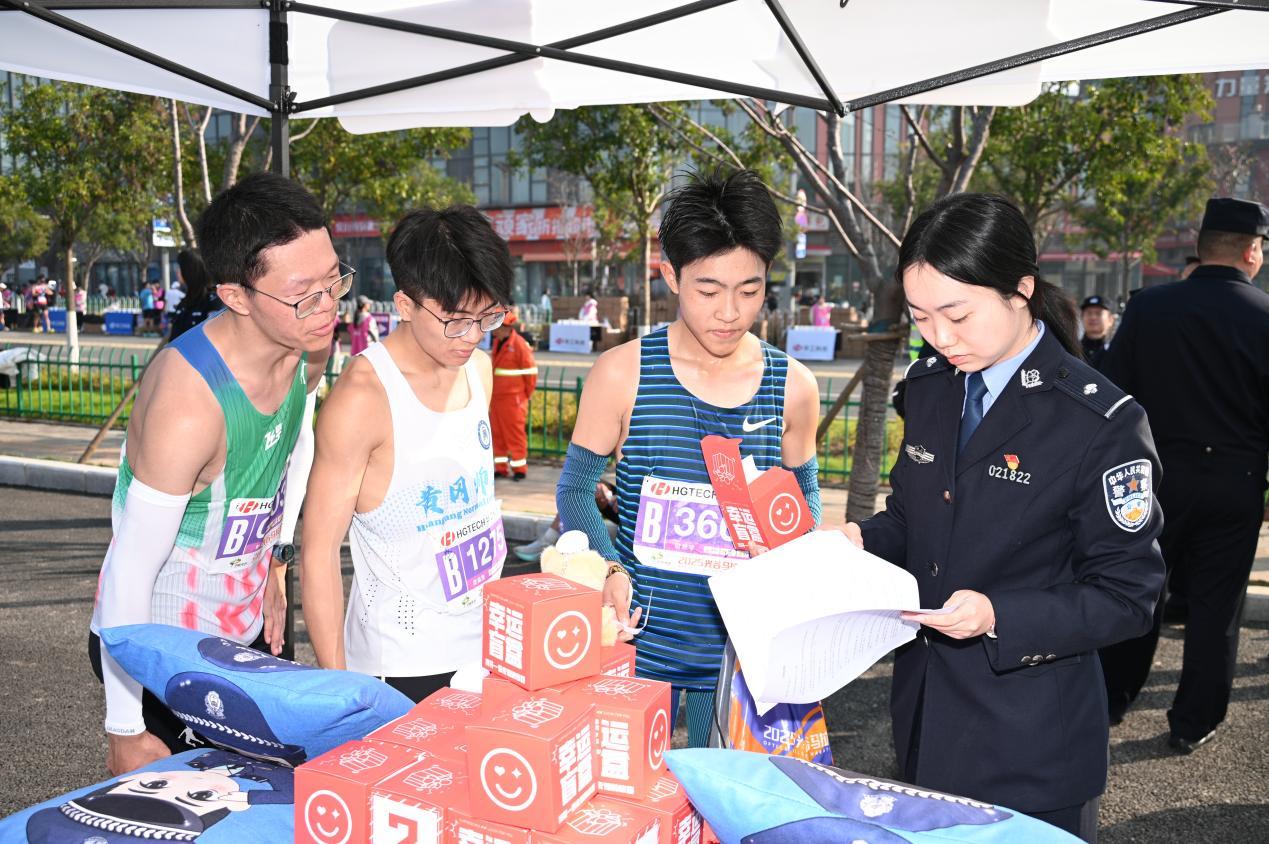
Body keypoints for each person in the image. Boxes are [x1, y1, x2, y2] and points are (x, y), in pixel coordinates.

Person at [842, 193, 1164, 842]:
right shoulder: (931, 387)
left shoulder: (1097, 421)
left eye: (957, 314)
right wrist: (855, 540)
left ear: (1021, 290)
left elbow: (1129, 595)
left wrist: (999, 615)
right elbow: (912, 518)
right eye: (921, 317)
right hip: (925, 722)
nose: (939, 337)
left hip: (1031, 746)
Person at [556, 168, 822, 748]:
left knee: (714, 798)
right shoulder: (622, 373)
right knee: (629, 795)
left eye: (749, 290)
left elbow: (805, 502)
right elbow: (575, 491)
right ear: (671, 275)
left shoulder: (793, 387)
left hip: (738, 659)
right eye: (708, 290)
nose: (729, 312)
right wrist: (609, 569)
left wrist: (792, 550)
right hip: (636, 646)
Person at [88, 172, 336, 776]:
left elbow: (295, 444)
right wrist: (125, 729)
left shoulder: (307, 346)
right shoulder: (188, 405)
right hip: (162, 651)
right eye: (304, 293)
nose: (328, 305)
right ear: (235, 295)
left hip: (242, 625)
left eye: (335, 280)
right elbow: (128, 570)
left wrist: (276, 557)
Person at [301, 205, 512, 703]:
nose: (472, 335)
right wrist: (342, 691)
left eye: (487, 317)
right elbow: (319, 553)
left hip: (488, 646)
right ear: (406, 305)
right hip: (400, 666)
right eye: (455, 321)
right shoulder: (363, 399)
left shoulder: (478, 370)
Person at [1098, 197, 1269, 753]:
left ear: (1200, 246)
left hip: (1155, 475)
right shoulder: (1264, 315)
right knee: (1218, 607)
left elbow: (1114, 396)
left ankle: (1112, 697)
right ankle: (1193, 721)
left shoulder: (1149, 307)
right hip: (1237, 479)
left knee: (1139, 589)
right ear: (1251, 251)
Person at [514, 480, 618, 562]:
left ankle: (552, 544)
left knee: (584, 489)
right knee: (583, 486)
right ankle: (549, 543)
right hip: (618, 499)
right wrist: (605, 488)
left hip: (627, 512)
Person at [490, 308, 538, 481]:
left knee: (515, 435)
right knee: (498, 435)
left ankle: (520, 469)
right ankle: (501, 468)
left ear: (505, 327)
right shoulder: (498, 342)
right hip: (497, 399)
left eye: (495, 326)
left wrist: (524, 396)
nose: (492, 329)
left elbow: (531, 374)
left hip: (513, 400)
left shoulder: (519, 345)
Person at [168, 248, 219, 342]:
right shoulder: (185, 302)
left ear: (191, 270)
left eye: (180, 267)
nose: (177, 271)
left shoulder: (214, 301)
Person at [1078, 295, 1115, 371]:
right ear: (1082, 317)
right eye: (1089, 313)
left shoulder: (1116, 351)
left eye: (1098, 313)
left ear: (1110, 319)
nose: (1093, 317)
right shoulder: (1073, 349)